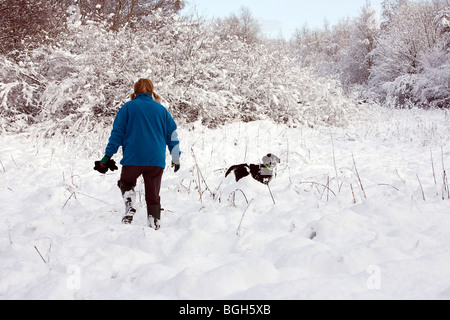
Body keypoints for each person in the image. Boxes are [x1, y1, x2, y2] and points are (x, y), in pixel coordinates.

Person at [94, 79, 180, 230]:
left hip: (133, 158)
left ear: (135, 92)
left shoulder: (128, 107)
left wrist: (107, 156)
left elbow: (117, 133)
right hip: (155, 160)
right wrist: (175, 157)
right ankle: (154, 224)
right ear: (152, 91)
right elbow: (172, 135)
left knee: (126, 182)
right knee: (153, 195)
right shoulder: (162, 111)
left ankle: (130, 205)